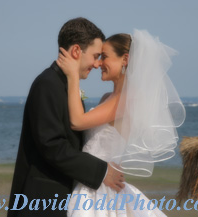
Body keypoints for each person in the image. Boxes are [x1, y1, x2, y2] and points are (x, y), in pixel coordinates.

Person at [57, 29, 185, 216]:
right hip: (91, 180)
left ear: (124, 60)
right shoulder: (107, 97)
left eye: (104, 57)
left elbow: (77, 122)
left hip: (100, 191)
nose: (99, 63)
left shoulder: (127, 99)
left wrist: (72, 75)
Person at [7, 17, 125, 217]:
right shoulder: (48, 84)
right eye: (96, 56)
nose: (97, 64)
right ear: (77, 51)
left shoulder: (65, 86)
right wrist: (101, 171)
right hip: (41, 201)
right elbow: (52, 145)